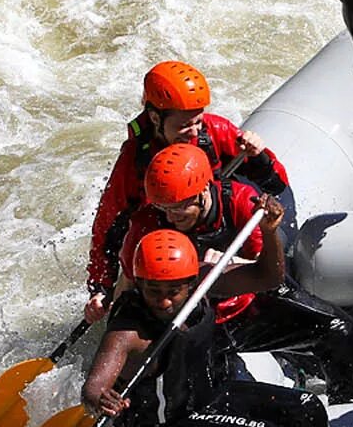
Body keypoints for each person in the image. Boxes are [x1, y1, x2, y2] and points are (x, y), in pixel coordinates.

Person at [115, 144, 353, 402]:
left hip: (242, 305)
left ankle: (349, 394)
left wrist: (239, 253)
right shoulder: (144, 228)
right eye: (164, 208)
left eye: (180, 207)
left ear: (202, 192)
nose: (171, 216)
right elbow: (132, 292)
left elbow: (267, 275)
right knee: (213, 394)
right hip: (193, 325)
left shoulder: (237, 202)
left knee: (335, 331)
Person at [84, 204, 336, 427]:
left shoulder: (203, 284)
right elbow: (94, 387)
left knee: (307, 408)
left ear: (191, 282)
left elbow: (268, 277)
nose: (164, 300)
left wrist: (269, 231)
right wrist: (101, 399)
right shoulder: (127, 332)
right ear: (140, 284)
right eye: (153, 290)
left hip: (210, 400)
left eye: (174, 291)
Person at [85, 60, 291, 324]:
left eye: (197, 121)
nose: (193, 132)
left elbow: (277, 185)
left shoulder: (212, 131)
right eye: (184, 126)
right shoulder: (134, 161)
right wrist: (100, 287)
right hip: (169, 239)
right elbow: (108, 227)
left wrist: (258, 156)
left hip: (218, 222)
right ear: (155, 118)